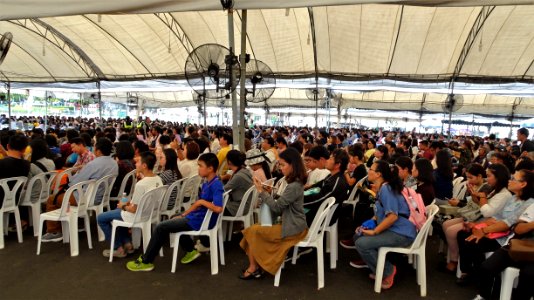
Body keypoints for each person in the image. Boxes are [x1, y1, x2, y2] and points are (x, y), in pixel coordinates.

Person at [126, 153, 224, 270]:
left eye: (200, 166)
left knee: (161, 227)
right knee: (174, 217)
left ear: (210, 168)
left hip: (202, 221)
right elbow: (199, 205)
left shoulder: (216, 184)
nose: (198, 168)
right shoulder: (208, 182)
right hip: (199, 217)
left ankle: (146, 261)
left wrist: (200, 202)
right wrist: (184, 214)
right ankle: (190, 250)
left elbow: (218, 208)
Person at [456, 168, 534, 286]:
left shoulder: (529, 203)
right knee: (462, 234)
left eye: (513, 179)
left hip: (504, 237)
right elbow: (496, 217)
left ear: (523, 184)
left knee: (474, 242)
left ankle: (479, 276)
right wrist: (477, 226)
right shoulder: (513, 198)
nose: (510, 180)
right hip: (495, 229)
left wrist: (483, 230)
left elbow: (508, 224)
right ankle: (468, 271)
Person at [239, 147, 308, 279]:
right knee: (252, 230)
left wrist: (261, 192)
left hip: (293, 228)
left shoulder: (293, 185)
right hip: (291, 224)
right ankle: (256, 266)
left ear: (293, 165)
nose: (280, 168)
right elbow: (280, 203)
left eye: (282, 165)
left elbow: (277, 208)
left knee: (251, 231)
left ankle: (254, 267)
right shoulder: (293, 182)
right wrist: (267, 192)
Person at [353, 160, 416, 290]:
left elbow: (393, 216)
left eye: (371, 169)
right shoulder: (383, 188)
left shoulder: (387, 189)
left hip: (401, 233)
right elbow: (380, 213)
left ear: (378, 174)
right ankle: (378, 267)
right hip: (394, 229)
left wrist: (375, 231)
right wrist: (368, 224)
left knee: (361, 243)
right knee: (358, 236)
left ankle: (388, 270)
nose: (368, 171)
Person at [42, 138, 119, 242]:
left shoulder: (93, 164)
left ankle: (54, 231)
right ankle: (77, 223)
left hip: (85, 198)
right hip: (102, 197)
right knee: (64, 197)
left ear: (99, 151)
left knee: (52, 199)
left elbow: (75, 182)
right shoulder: (114, 163)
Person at [97, 152, 163, 258]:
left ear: (144, 165)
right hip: (150, 214)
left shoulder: (141, 184)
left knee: (101, 218)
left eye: (137, 162)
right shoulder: (158, 179)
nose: (135, 164)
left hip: (136, 215)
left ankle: (117, 248)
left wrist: (122, 206)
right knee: (118, 215)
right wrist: (126, 205)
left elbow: (133, 210)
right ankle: (128, 244)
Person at [476, 198, 534, 300]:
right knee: (487, 267)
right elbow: (518, 229)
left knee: (528, 274)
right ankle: (483, 296)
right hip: (520, 246)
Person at [440, 163, 492, 273]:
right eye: (467, 177)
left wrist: (470, 197)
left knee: (451, 231)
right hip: (469, 214)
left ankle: (454, 260)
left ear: (479, 176)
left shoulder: (486, 188)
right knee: (445, 225)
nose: (468, 180)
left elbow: (480, 207)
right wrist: (459, 202)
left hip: (478, 218)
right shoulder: (473, 186)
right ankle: (455, 254)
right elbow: (468, 204)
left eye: (470, 177)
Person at [304, 148, 349, 226]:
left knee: (290, 212)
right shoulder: (332, 176)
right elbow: (320, 184)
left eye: (330, 158)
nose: (327, 160)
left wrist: (298, 201)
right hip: (319, 210)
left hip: (323, 217)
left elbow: (319, 199)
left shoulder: (337, 182)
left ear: (338, 165)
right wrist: (307, 187)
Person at [0, 134, 31, 208]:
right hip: (15, 199)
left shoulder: (2, 163)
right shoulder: (27, 165)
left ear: (8, 146)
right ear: (24, 149)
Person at [222, 150, 253, 217]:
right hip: (246, 205)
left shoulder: (238, 176)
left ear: (229, 162)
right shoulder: (245, 170)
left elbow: (223, 190)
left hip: (238, 208)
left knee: (213, 208)